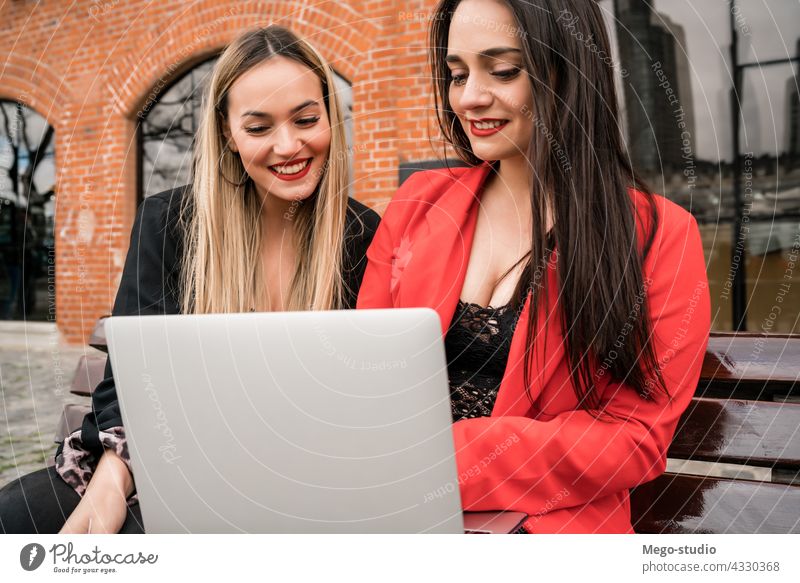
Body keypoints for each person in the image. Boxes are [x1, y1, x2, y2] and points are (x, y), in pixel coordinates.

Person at [0, 25, 380, 534]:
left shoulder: (366, 236)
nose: (288, 145)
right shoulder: (167, 222)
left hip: (298, 478)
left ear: (331, 117)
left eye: (307, 119)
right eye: (258, 127)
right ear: (227, 132)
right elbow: (131, 375)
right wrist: (113, 477)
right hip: (168, 459)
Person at [357, 0, 710, 533]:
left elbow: (634, 436)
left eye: (503, 70)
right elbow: (364, 385)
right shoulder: (417, 205)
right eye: (456, 74)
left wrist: (440, 460)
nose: (469, 97)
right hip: (394, 519)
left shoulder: (659, 235)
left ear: (567, 70)